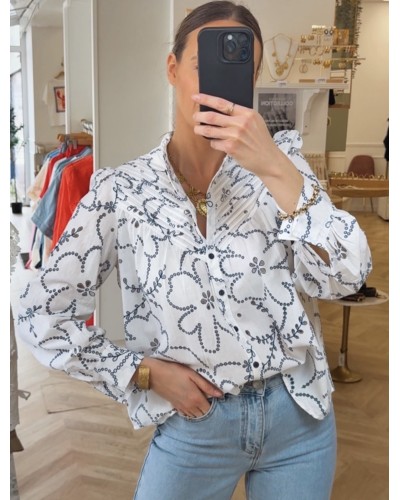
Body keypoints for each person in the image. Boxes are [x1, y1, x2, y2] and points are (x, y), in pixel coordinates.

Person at [17, 2, 372, 499]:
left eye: (239, 67)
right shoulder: (122, 191)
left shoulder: (284, 170)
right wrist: (141, 372)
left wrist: (273, 167)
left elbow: (347, 276)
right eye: (203, 65)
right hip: (196, 424)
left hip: (300, 419)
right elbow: (39, 312)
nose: (216, 85)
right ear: (172, 68)